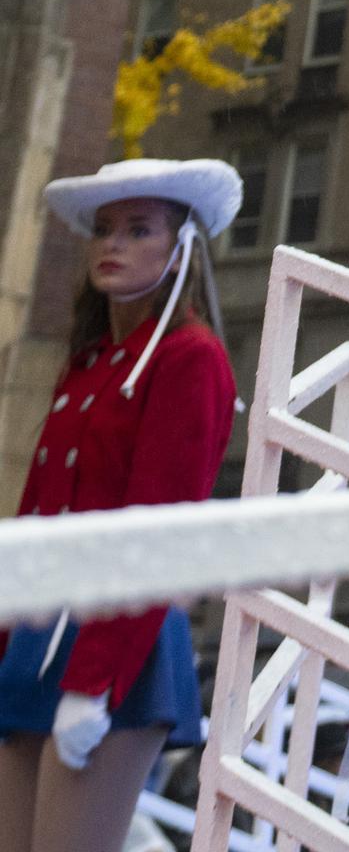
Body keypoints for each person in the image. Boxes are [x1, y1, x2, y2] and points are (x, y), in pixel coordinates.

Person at [0, 158, 241, 852]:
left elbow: (157, 531)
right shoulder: (91, 361)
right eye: (105, 229)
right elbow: (36, 515)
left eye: (140, 230)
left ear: (182, 247)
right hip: (37, 633)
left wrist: (95, 680)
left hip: (117, 639)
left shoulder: (190, 359)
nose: (114, 244)